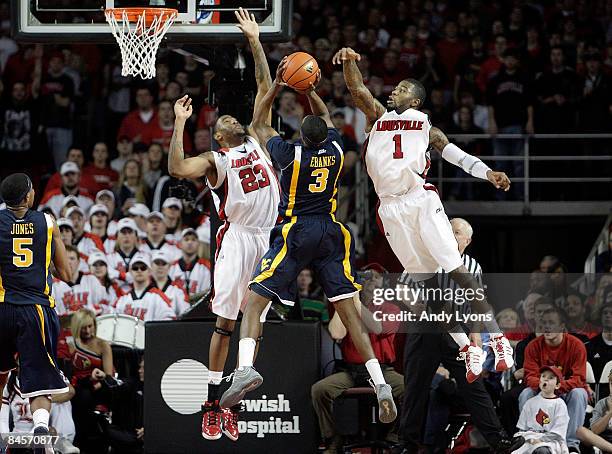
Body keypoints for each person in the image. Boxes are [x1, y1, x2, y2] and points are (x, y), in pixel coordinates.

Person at [220, 58, 398, 427]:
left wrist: (276, 87)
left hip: (297, 229)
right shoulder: (335, 149)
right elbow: (328, 120)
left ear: (302, 136)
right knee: (350, 315)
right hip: (332, 232)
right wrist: (310, 90)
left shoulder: (289, 154)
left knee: (253, 304)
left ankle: (246, 370)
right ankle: (380, 383)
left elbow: (258, 124)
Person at [333, 47, 514, 379]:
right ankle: (466, 346)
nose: (394, 91)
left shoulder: (424, 126)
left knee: (456, 269)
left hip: (420, 199)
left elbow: (453, 153)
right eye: (395, 86)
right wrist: (348, 61)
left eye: (402, 89)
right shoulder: (377, 117)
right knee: (428, 289)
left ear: (414, 102)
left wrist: (488, 173)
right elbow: (357, 89)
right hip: (389, 208)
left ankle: (499, 339)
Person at [167, 9, 279, 441]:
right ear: (217, 136)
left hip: (267, 239)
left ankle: (233, 400)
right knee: (225, 326)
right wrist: (179, 123)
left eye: (233, 118)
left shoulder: (255, 135)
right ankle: (211, 408)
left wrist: (254, 39)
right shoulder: (217, 160)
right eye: (222, 121)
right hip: (237, 242)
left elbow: (266, 88)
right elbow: (178, 167)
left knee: (256, 327)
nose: (229, 119)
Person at [0, 173, 72, 454]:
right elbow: (67, 272)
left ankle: (1, 433)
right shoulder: (47, 222)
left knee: (2, 373)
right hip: (35, 309)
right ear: (28, 196)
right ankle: (41, 428)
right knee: (39, 377)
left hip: (3, 306)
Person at [313, 265, 404, 451]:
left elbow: (377, 328)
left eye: (376, 277)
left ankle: (395, 437)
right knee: (320, 390)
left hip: (383, 371)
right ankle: (333, 438)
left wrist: (356, 303)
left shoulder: (391, 308)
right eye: (366, 277)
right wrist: (346, 297)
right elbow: (336, 333)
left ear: (384, 282)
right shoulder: (351, 305)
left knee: (409, 389)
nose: (370, 281)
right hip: (352, 372)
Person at [520, 307, 588, 452]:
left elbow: (579, 378)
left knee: (579, 393)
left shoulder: (576, 345)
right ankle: (530, 439)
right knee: (525, 393)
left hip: (566, 389)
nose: (547, 327)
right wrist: (547, 387)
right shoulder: (533, 346)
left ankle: (570, 445)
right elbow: (529, 376)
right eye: (544, 323)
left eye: (551, 322)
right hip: (542, 390)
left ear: (562, 325)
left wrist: (556, 386)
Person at [0, 368, 79, 454]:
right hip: (17, 435)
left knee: (63, 398)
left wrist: (44, 399)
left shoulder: (50, 369)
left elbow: (70, 391)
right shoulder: (8, 377)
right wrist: (5, 438)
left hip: (41, 433)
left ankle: (63, 441)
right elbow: (2, 415)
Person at [68, 308, 114, 452]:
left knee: (85, 397)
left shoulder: (103, 345)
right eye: (83, 328)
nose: (88, 331)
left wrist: (97, 380)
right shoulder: (70, 345)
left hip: (97, 387)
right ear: (77, 328)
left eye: (90, 326)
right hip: (75, 387)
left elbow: (109, 377)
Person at [513, 366, 569, 454]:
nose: (546, 380)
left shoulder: (560, 405)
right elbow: (522, 429)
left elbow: (558, 433)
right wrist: (530, 439)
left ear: (557, 385)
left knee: (541, 451)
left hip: (550, 441)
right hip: (530, 439)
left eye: (550, 378)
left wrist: (540, 440)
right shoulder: (530, 402)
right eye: (543, 376)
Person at [114, 253, 175, 322]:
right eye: (135, 268)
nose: (139, 271)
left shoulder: (158, 297)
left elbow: (169, 319)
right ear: (130, 271)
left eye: (143, 268)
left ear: (149, 271)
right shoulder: (122, 299)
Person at [64, 245, 111, 315]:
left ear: (78, 262)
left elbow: (105, 306)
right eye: (65, 259)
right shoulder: (55, 284)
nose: (69, 262)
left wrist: (94, 309)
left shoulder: (91, 280)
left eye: (72, 258)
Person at [168, 228, 211, 300]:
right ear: (180, 244)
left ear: (198, 244)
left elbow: (206, 294)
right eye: (186, 239)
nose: (190, 242)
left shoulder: (206, 267)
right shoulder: (172, 268)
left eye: (193, 239)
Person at [150, 250, 189, 317]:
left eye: (164, 263)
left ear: (169, 266)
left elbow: (185, 313)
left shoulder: (178, 290)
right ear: (151, 265)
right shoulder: (144, 288)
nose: (160, 267)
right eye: (157, 263)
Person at [107, 218, 141, 292]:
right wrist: (125, 276)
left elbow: (143, 277)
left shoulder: (145, 257)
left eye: (130, 232)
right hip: (115, 296)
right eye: (123, 232)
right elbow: (108, 274)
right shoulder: (109, 258)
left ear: (136, 236)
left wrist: (118, 276)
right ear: (117, 236)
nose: (127, 236)